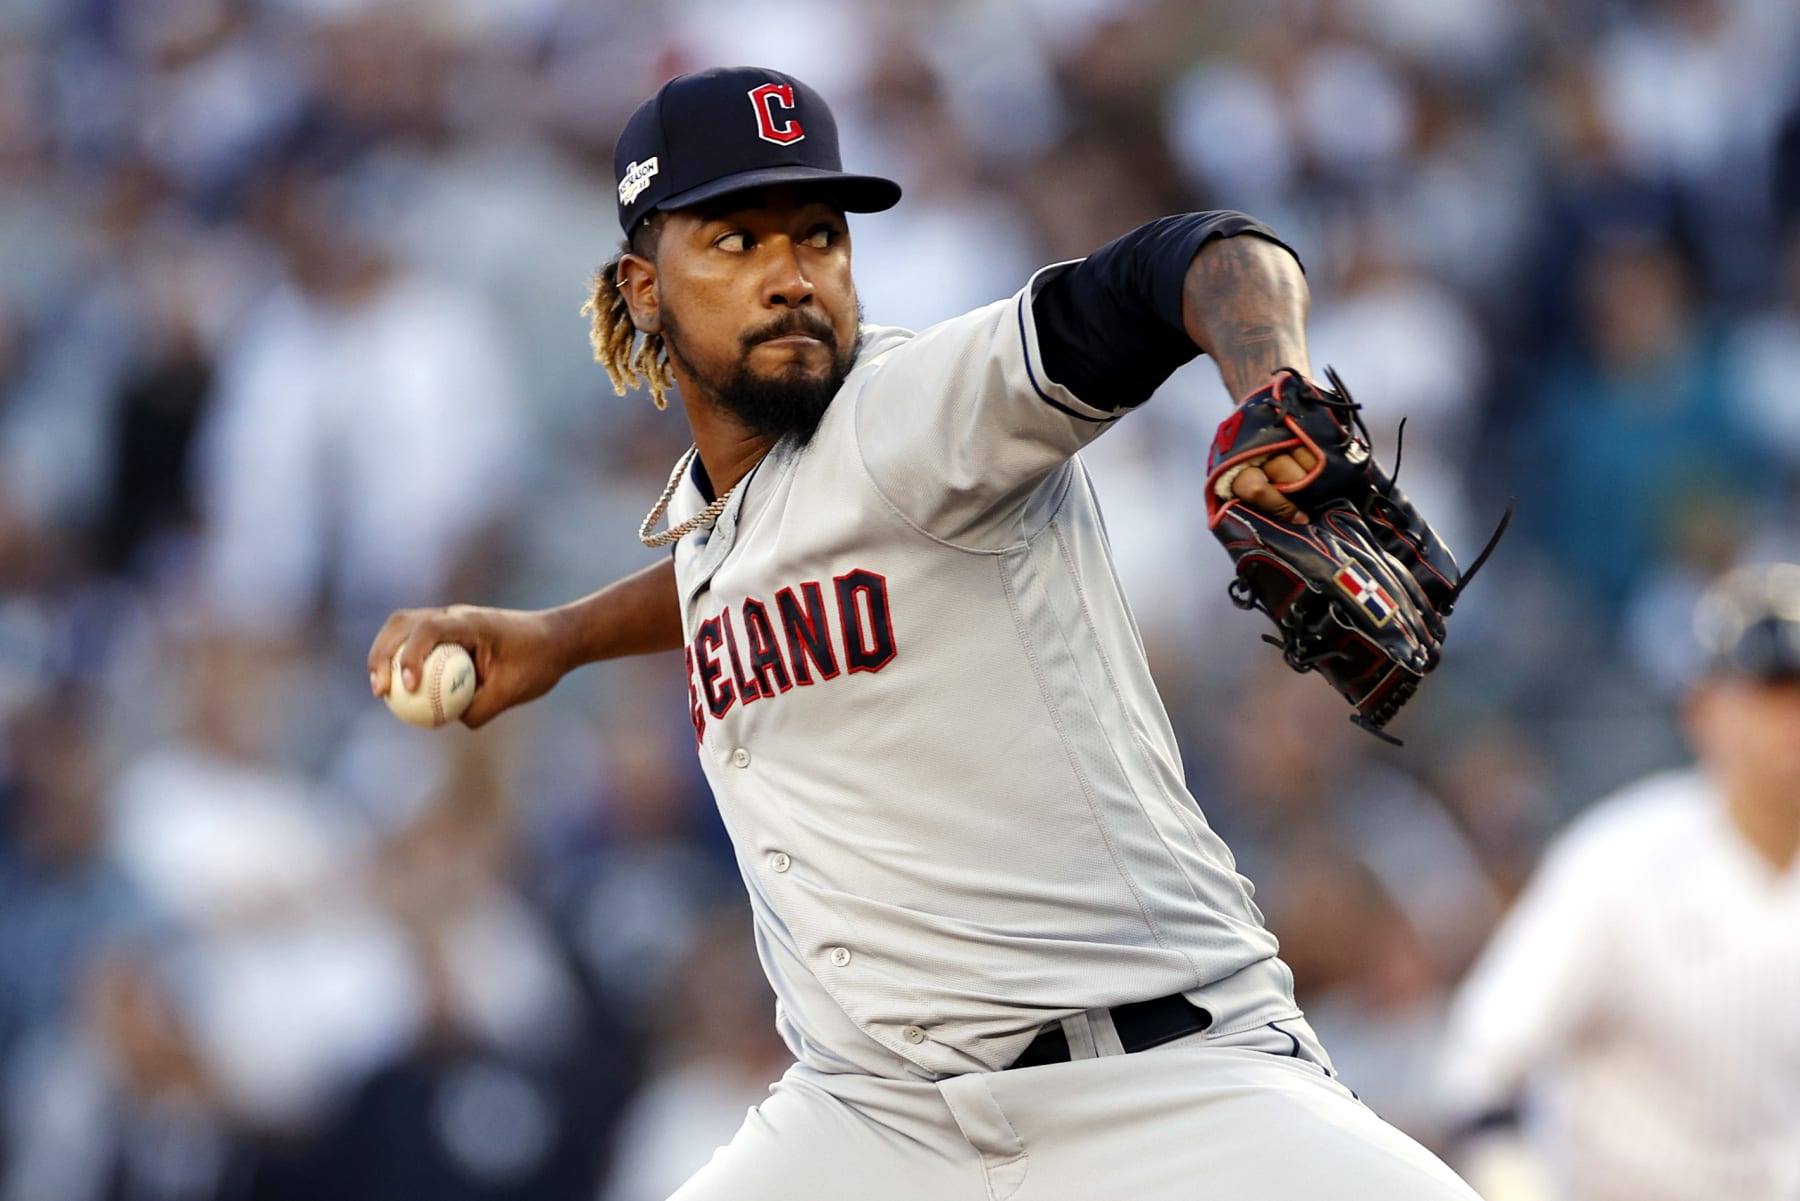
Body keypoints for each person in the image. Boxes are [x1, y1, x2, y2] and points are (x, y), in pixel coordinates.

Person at [369, 66, 1478, 1200]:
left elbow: (1205, 257)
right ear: (642, 289)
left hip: (1157, 1082)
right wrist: (558, 637)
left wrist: (1268, 383)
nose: (792, 275)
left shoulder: (922, 411)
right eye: (736, 242)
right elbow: (736, 574)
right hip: (871, 1119)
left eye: (817, 235)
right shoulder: (718, 519)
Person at [1437, 563, 1800, 1201]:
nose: (1792, 720)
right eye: (1773, 691)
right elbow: (1478, 1072)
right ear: (1704, 710)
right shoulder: (1621, 861)